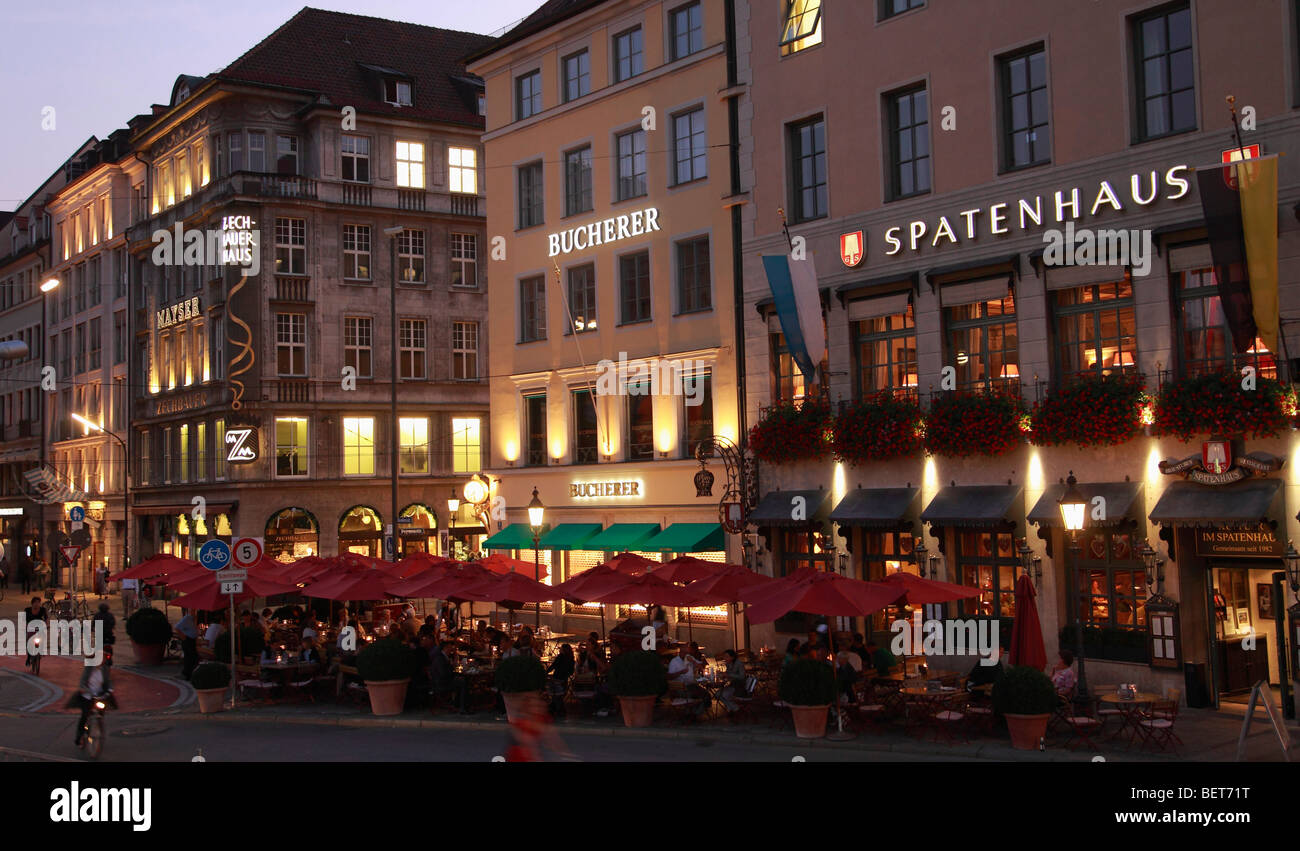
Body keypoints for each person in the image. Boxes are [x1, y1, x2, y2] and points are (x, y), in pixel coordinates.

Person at [71, 650, 114, 748]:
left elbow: (108, 682)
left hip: (99, 695)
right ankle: (79, 736)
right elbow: (82, 683)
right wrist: (84, 690)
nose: (102, 661)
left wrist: (110, 690)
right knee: (85, 715)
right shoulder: (89, 668)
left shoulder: (104, 669)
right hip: (88, 696)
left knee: (101, 710)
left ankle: (98, 725)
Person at [428, 639, 470, 713]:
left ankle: (458, 704)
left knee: (462, 680)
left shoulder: (443, 657)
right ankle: (463, 707)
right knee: (463, 682)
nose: (452, 649)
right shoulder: (440, 658)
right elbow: (444, 673)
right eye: (451, 647)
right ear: (446, 648)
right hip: (441, 683)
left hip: (442, 681)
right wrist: (453, 666)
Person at [546, 643, 575, 718]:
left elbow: (553, 666)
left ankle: (555, 707)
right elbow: (571, 671)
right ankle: (556, 707)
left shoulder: (560, 657)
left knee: (553, 690)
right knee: (558, 695)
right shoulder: (571, 659)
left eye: (560, 649)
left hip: (557, 678)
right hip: (564, 679)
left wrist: (545, 672)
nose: (559, 650)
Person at [173, 609, 198, 679]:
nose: (194, 611)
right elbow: (177, 627)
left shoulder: (193, 619)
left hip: (192, 640)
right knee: (189, 657)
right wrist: (184, 638)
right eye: (193, 610)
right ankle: (186, 674)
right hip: (188, 640)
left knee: (193, 657)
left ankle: (190, 673)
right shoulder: (187, 618)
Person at [24, 596, 48, 671]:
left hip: (40, 627)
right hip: (30, 627)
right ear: (32, 603)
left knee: (43, 637)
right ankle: (28, 658)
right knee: (28, 641)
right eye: (35, 603)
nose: (37, 604)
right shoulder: (27, 610)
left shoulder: (43, 610)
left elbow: (46, 618)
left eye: (38, 603)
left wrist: (47, 625)